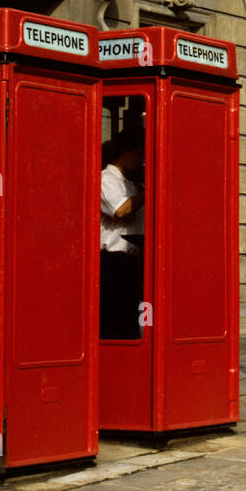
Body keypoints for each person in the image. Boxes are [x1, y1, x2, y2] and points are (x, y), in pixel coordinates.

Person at [100, 127, 145, 339]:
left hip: (134, 261)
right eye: (138, 154)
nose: (141, 160)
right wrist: (149, 191)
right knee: (115, 321)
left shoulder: (134, 184)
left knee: (132, 322)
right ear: (124, 151)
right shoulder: (106, 179)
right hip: (112, 263)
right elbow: (121, 209)